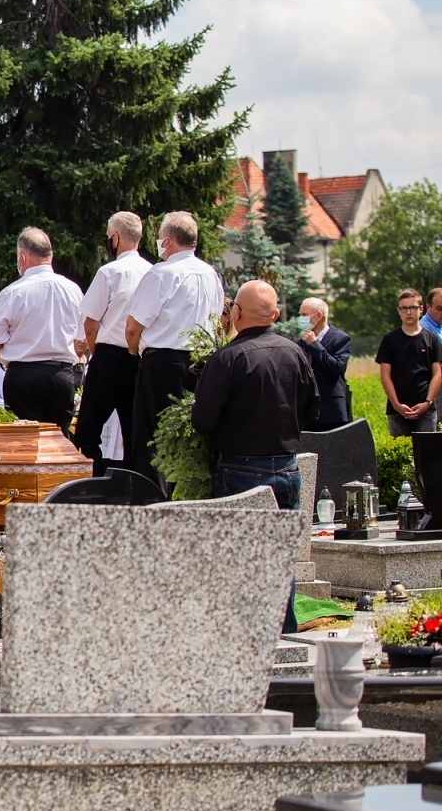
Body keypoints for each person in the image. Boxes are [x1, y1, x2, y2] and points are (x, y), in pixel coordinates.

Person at [191, 280, 318, 633]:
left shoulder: (228, 358)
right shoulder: (295, 352)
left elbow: (202, 419)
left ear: (237, 313)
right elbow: (312, 408)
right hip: (288, 465)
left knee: (238, 556)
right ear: (276, 315)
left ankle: (245, 633)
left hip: (240, 467)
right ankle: (285, 628)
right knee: (281, 554)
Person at [124, 211, 225, 484]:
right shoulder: (210, 273)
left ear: (167, 241)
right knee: (191, 435)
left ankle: (152, 496)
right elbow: (217, 323)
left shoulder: (161, 273)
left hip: (162, 361)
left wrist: (136, 353)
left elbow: (133, 327)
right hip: (201, 360)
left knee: (151, 437)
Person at [75, 212, 152, 474]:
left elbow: (90, 324)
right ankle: (133, 487)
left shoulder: (110, 272)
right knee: (136, 433)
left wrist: (98, 354)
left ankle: (94, 487)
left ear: (115, 237)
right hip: (140, 358)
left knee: (87, 432)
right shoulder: (152, 272)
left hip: (108, 356)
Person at [0, 228, 84, 432]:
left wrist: (5, 365)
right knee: (59, 441)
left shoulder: (12, 292)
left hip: (24, 375)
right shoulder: (73, 290)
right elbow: (81, 338)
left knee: (23, 441)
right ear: (50, 255)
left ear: (22, 257)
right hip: (60, 374)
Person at [376, 288, 442, 437]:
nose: (408, 312)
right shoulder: (389, 340)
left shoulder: (432, 339)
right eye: (404, 308)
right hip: (397, 409)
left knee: (427, 455)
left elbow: (437, 374)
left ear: (421, 309)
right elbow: (385, 376)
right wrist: (396, 404)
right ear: (399, 311)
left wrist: (428, 402)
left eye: (412, 307)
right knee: (401, 456)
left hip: (426, 409)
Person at [297, 297, 352, 431]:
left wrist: (315, 345)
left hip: (331, 410)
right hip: (308, 411)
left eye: (304, 315)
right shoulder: (301, 342)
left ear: (319, 316)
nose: (300, 319)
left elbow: (337, 368)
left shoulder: (341, 339)